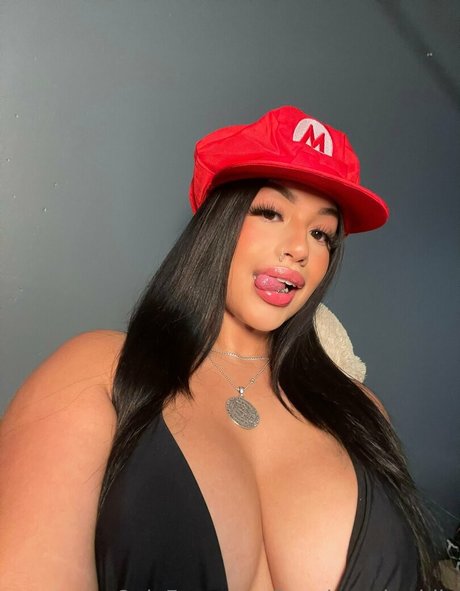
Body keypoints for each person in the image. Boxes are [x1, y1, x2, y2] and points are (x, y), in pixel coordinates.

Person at [0, 106, 441, 590]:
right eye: (271, 212)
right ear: (216, 223)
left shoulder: (360, 410)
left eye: (321, 233)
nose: (299, 248)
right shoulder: (97, 371)